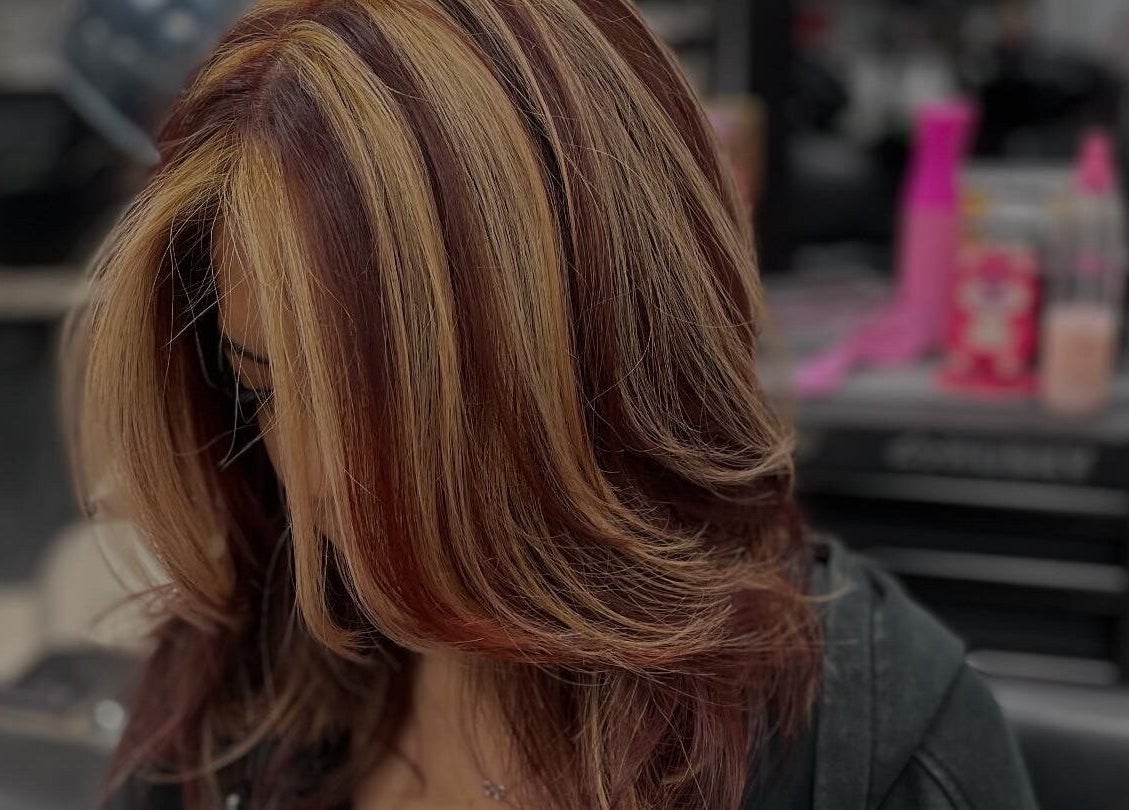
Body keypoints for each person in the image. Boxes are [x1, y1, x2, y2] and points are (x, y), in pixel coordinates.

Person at [64, 1, 1037, 808]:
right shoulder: (248, 669)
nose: (316, 485)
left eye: (388, 407)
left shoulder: (874, 750)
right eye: (263, 388)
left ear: (598, 361)